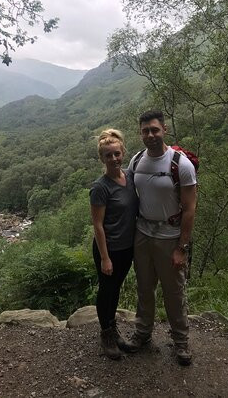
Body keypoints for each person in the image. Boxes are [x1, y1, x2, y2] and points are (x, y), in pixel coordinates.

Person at [126, 110, 197, 366]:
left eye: (155, 129)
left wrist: (182, 247)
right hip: (142, 235)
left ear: (164, 130)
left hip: (170, 238)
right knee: (144, 288)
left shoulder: (181, 164)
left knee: (174, 292)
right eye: (145, 131)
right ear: (140, 133)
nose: (150, 135)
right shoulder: (136, 161)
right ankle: (142, 334)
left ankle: (181, 343)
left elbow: (189, 209)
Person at [90, 129, 138, 360]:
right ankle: (106, 335)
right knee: (107, 290)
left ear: (123, 153)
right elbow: (98, 225)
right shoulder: (100, 187)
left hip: (127, 247)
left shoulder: (130, 176)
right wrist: (105, 258)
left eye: (117, 154)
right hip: (108, 249)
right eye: (108, 156)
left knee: (115, 289)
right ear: (102, 158)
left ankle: (114, 331)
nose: (114, 159)